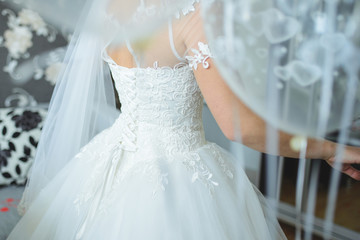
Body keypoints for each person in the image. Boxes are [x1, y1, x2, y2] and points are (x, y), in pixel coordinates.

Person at [7, 1, 360, 239]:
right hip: (181, 172)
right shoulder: (195, 16)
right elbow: (241, 128)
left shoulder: (110, 6)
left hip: (111, 153)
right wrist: (329, 149)